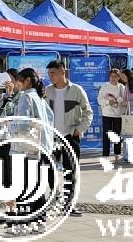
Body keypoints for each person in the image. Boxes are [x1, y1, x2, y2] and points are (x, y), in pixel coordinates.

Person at [10, 67, 55, 234]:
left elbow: (22, 125)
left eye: (18, 80)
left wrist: (10, 125)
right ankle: (38, 222)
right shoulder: (39, 98)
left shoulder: (26, 97)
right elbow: (50, 118)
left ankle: (26, 222)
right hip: (39, 148)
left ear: (27, 81)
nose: (17, 84)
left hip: (25, 148)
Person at [45, 59, 93, 205]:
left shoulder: (76, 90)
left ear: (62, 72)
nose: (51, 76)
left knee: (70, 170)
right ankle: (54, 197)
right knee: (50, 169)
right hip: (52, 137)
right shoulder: (47, 91)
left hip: (70, 136)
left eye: (53, 73)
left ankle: (69, 202)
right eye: (49, 74)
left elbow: (88, 112)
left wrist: (79, 130)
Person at [97, 69, 127, 158]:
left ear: (118, 77)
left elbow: (125, 99)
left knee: (117, 134)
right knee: (107, 134)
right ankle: (105, 154)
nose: (113, 78)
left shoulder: (121, 87)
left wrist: (119, 100)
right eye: (111, 76)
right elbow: (99, 99)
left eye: (115, 76)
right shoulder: (105, 86)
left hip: (118, 115)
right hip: (107, 114)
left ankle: (117, 153)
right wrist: (108, 102)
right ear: (109, 77)